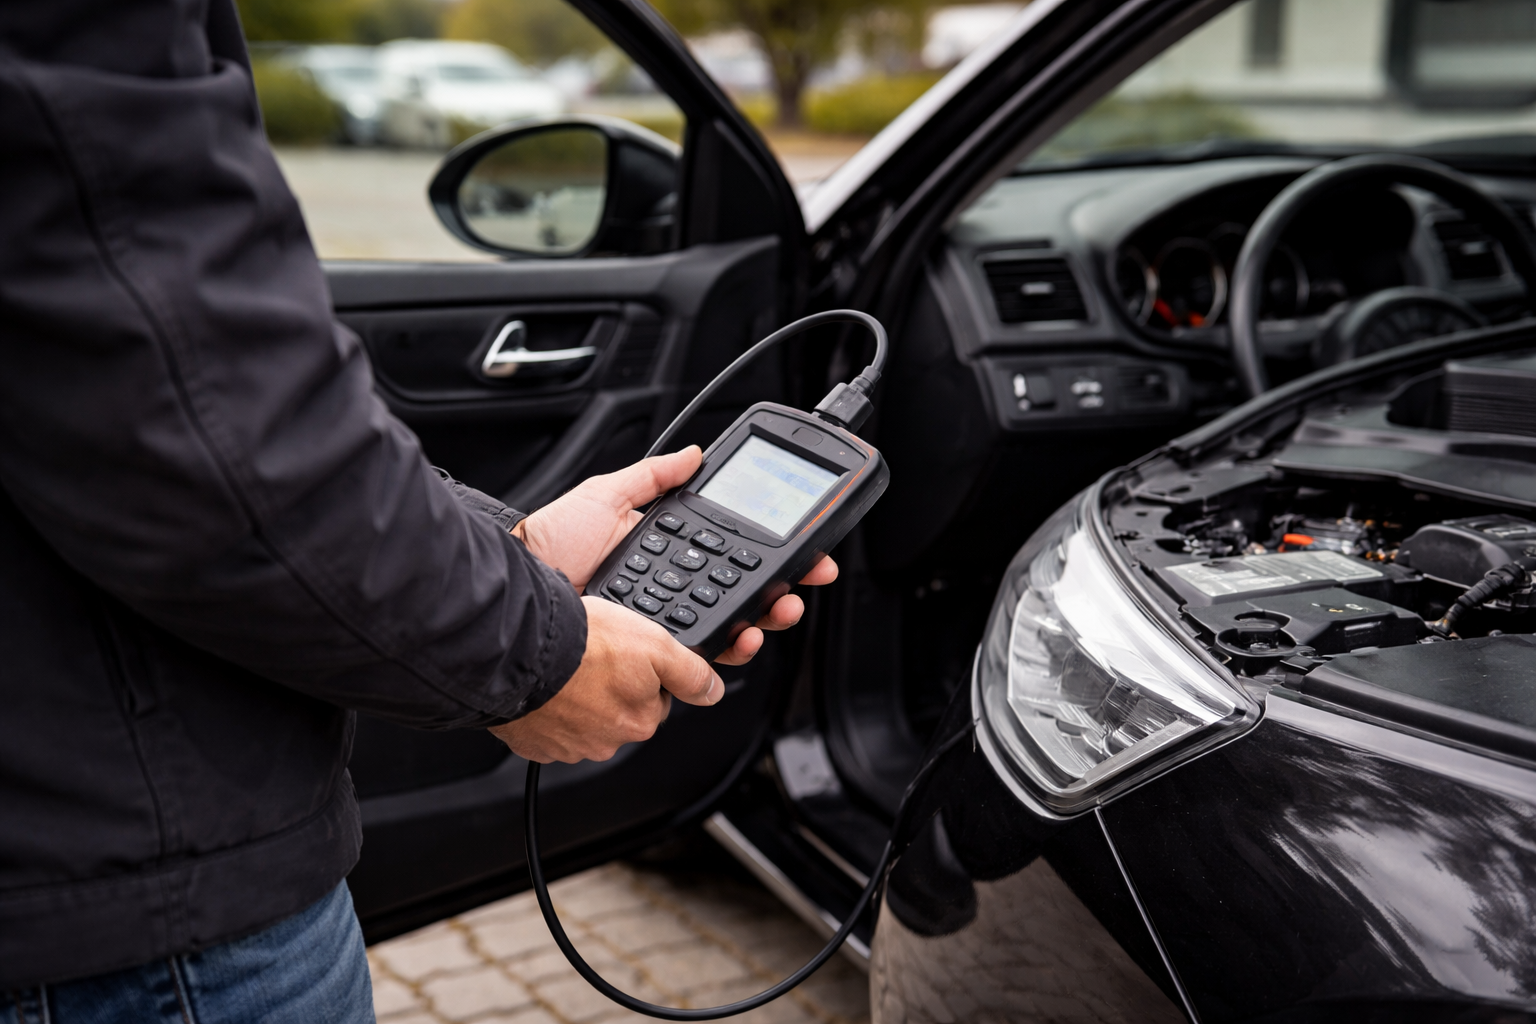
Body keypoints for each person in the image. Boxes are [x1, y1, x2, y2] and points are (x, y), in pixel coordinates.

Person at [0, 2, 834, 1020]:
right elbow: (201, 410)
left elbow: (144, 384)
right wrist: (536, 653)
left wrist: (516, 547)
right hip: (135, 927)